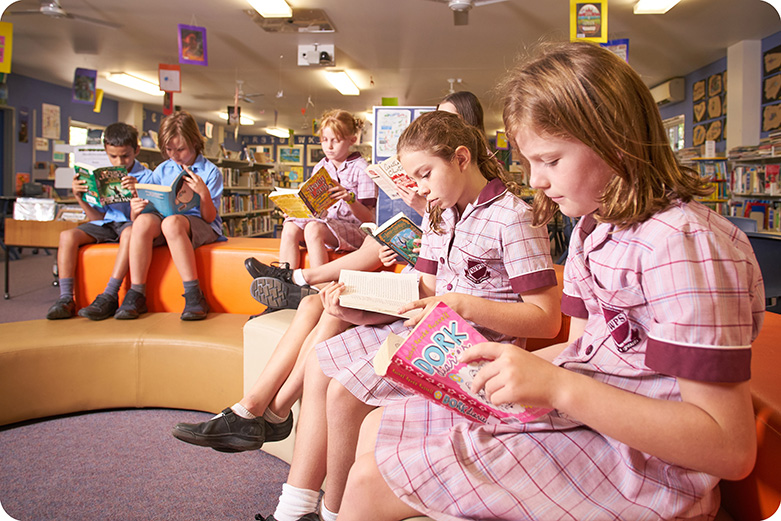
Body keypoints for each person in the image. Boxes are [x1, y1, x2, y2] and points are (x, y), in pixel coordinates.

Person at [337, 41, 766, 521]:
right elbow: (581, 353)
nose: (536, 180)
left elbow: (728, 449)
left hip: (645, 468)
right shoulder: (590, 227)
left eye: (551, 161)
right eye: (529, 163)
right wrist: (482, 370)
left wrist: (557, 388)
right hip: (588, 422)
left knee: (369, 483)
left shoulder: (685, 244)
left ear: (614, 141)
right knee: (375, 426)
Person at [254, 110, 562, 521]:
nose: (419, 189)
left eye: (425, 174)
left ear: (461, 158)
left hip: (475, 355)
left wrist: (464, 306)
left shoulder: (514, 218)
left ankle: (334, 513)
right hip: (429, 334)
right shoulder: (441, 214)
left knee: (344, 394)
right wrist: (359, 307)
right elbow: (426, 291)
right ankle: (294, 508)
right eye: (412, 179)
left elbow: (546, 319)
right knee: (318, 362)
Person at [247, 92, 487, 312]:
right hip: (428, 244)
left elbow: (459, 229)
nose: (441, 126)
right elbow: (442, 220)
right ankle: (292, 280)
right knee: (358, 238)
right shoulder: (322, 166)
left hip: (438, 254)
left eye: (448, 118)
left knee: (335, 236)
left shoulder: (473, 176)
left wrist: (422, 219)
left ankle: (302, 280)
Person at [246, 109, 377, 312]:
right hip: (327, 224)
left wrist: (349, 198)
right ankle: (283, 286)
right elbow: (313, 205)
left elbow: (369, 218)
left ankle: (318, 291)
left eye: (336, 140)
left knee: (313, 229)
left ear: (352, 139)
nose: (329, 146)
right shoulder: (321, 167)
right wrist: (295, 210)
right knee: (289, 226)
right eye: (324, 140)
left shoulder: (361, 168)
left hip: (354, 231)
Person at [115, 110, 223, 321]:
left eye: (180, 149)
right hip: (165, 222)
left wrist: (203, 193)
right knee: (143, 222)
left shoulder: (210, 172)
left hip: (200, 225)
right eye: (169, 149)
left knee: (172, 223)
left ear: (194, 142)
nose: (174, 154)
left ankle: (194, 294)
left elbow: (210, 217)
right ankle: (137, 293)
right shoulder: (162, 170)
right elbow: (149, 206)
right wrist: (137, 208)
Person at [45, 122, 152, 320]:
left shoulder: (147, 177)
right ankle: (66, 298)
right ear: (106, 151)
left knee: (130, 232)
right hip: (107, 225)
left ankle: (110, 294)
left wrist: (139, 191)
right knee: (67, 236)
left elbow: (146, 219)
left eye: (125, 156)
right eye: (113, 156)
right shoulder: (103, 176)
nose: (119, 161)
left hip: (131, 225)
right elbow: (98, 218)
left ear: (136, 150)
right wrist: (79, 197)